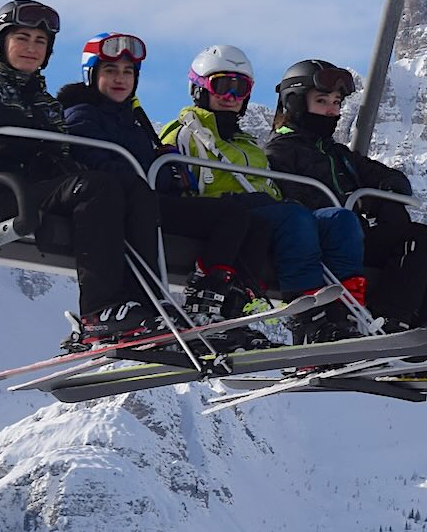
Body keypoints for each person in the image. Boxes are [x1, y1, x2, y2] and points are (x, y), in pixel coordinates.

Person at [0, 0, 162, 346]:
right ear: (1, 43)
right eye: (22, 39)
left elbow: (60, 149)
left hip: (38, 187)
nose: (31, 48)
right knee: (97, 187)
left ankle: (147, 303)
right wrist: (37, 131)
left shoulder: (41, 96)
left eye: (40, 41)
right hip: (5, 191)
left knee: (133, 189)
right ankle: (98, 311)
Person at [57, 32, 269, 325]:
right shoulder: (82, 116)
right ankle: (149, 304)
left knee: (236, 216)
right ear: (91, 75)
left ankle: (213, 299)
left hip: (148, 199)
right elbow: (94, 160)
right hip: (118, 203)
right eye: (110, 70)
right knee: (148, 204)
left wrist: (170, 173)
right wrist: (148, 177)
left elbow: (153, 173)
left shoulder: (134, 122)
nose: (120, 79)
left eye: (128, 72)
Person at [159, 46, 366, 341]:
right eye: (222, 86)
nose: (231, 96)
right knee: (293, 217)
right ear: (200, 88)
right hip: (222, 213)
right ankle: (307, 317)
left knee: (339, 219)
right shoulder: (184, 133)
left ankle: (345, 314)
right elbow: (171, 184)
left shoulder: (248, 144)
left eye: (240, 88)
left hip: (265, 211)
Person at [266, 59, 427, 333]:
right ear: (296, 103)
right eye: (322, 101)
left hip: (353, 236)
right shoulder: (280, 151)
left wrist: (380, 196)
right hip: (321, 240)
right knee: (416, 239)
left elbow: (389, 178)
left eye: (336, 103)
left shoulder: (337, 154)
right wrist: (355, 201)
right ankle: (391, 321)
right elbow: (292, 199)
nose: (331, 110)